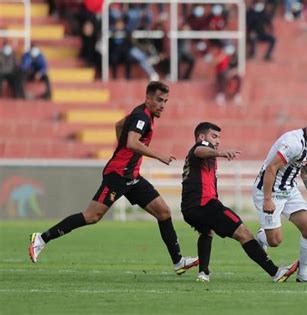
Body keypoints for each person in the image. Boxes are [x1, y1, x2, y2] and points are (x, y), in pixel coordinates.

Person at [29, 81, 199, 275]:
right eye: (159, 100)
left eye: (165, 101)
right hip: (117, 175)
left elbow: (119, 125)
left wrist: (124, 151)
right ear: (148, 98)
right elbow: (132, 142)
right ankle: (41, 239)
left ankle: (178, 262)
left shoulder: (144, 114)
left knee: (164, 213)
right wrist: (157, 154)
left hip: (132, 176)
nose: (163, 105)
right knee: (92, 216)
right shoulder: (141, 117)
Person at [181, 122, 299, 282]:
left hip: (188, 209)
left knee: (206, 232)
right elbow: (200, 150)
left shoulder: (203, 159)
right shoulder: (202, 147)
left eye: (219, 138)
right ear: (202, 137)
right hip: (205, 204)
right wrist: (221, 153)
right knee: (244, 234)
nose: (217, 141)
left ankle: (203, 273)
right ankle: (276, 272)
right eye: (214, 136)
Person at [252, 110, 307, 283]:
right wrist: (268, 200)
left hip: (289, 190)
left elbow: (306, 173)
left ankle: (303, 274)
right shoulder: (293, 143)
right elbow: (271, 169)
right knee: (275, 241)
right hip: (268, 191)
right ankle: (261, 237)